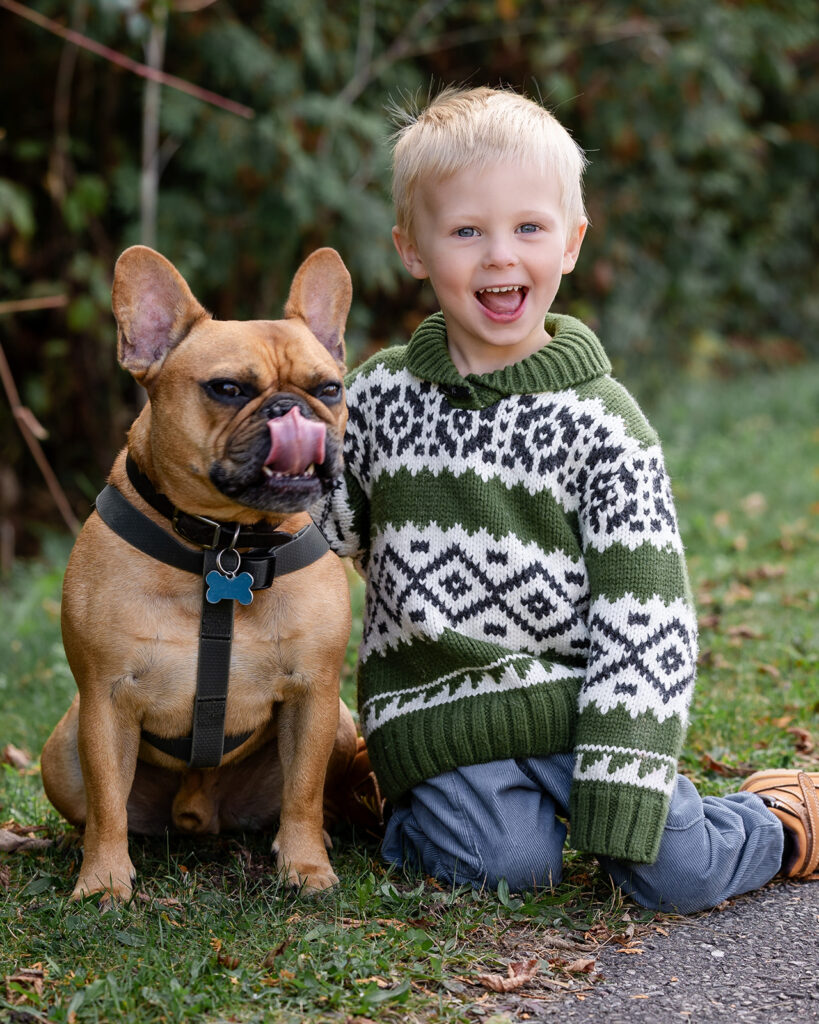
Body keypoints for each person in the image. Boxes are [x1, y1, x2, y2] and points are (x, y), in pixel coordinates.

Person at [313, 86, 818, 912]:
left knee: (670, 876)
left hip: (579, 709)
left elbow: (645, 618)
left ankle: (779, 821)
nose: (499, 256)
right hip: (436, 716)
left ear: (572, 243)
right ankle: (397, 799)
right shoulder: (376, 398)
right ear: (412, 250)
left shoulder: (603, 426)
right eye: (466, 230)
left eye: (528, 228)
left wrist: (621, 774)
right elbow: (320, 537)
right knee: (504, 870)